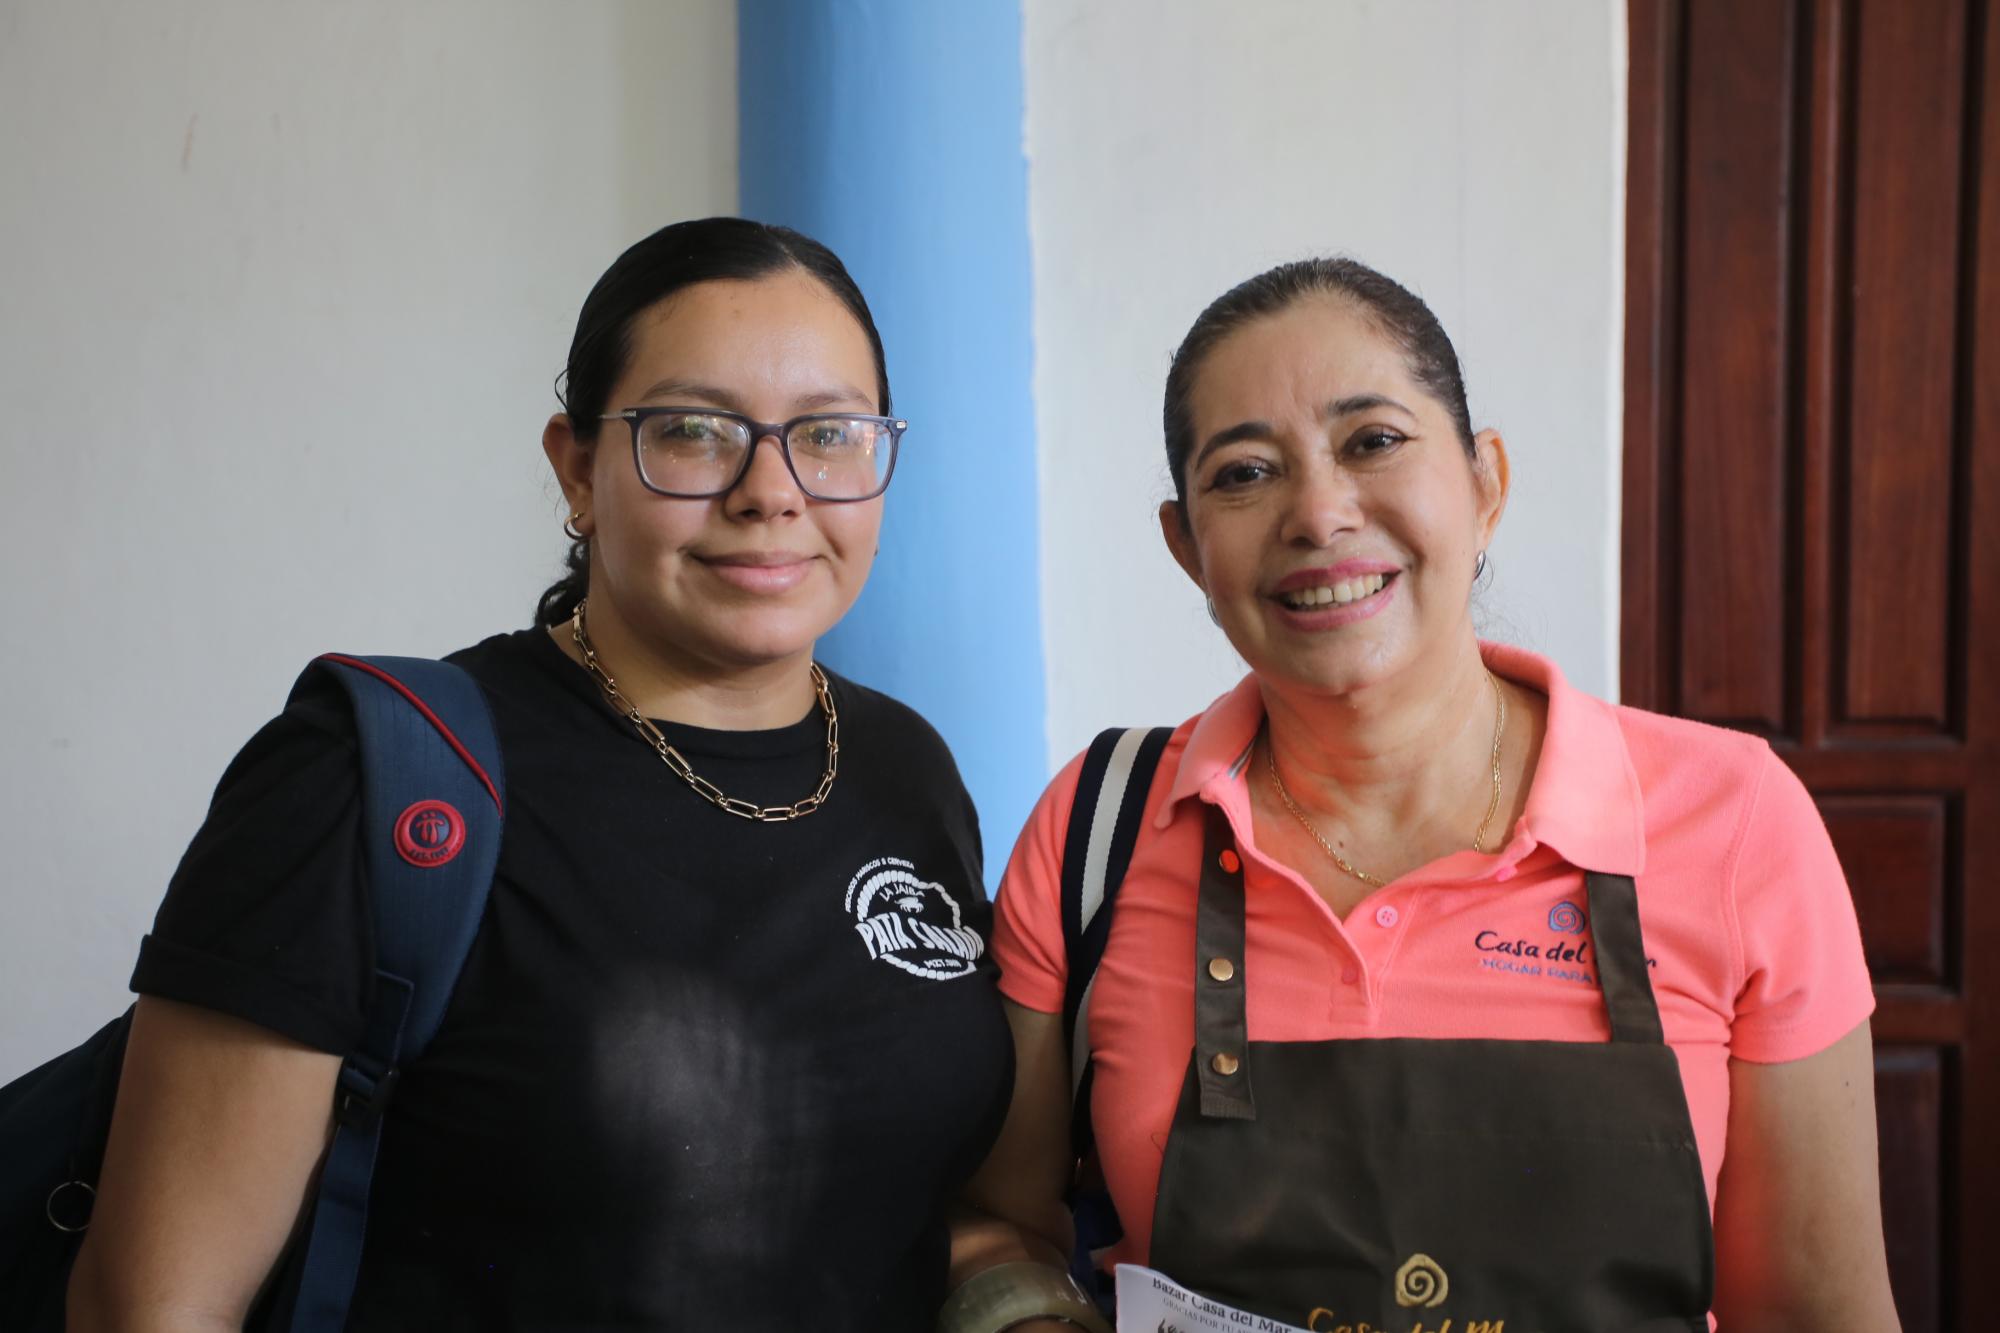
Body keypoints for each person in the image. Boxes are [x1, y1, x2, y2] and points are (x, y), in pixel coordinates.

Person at [66, 217, 1014, 1331]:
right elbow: (153, 1307)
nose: (772, 490)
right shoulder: (371, 777)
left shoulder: (906, 766)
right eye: (696, 432)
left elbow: (905, 1208)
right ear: (577, 468)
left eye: (831, 433)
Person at [947, 257, 1900, 1332]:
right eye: (1244, 473)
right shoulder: (1100, 827)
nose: (1317, 513)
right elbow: (1000, 1222)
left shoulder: (1728, 821)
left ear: (1484, 481)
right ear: (1185, 547)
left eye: (1373, 441)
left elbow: (1817, 1310)